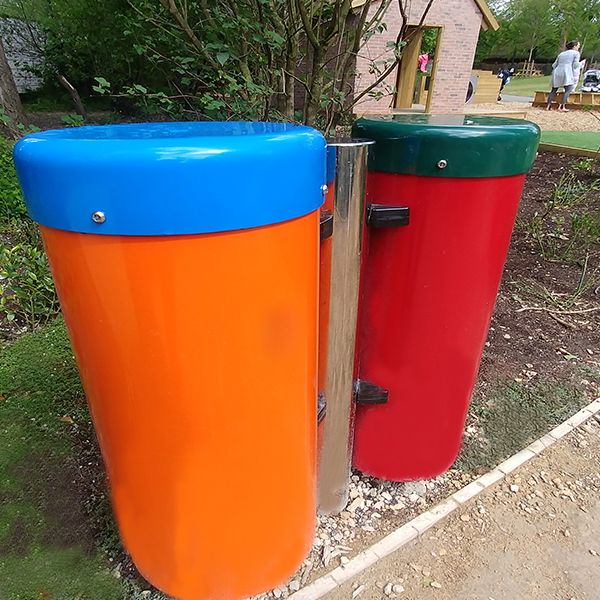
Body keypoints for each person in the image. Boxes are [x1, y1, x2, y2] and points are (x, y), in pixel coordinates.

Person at [547, 41, 581, 111]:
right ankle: (562, 106)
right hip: (567, 71)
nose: (578, 47)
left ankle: (548, 105)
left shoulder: (561, 54)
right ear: (574, 46)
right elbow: (575, 65)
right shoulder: (576, 53)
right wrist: (580, 64)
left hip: (557, 71)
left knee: (554, 89)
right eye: (578, 46)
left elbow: (554, 65)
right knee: (569, 89)